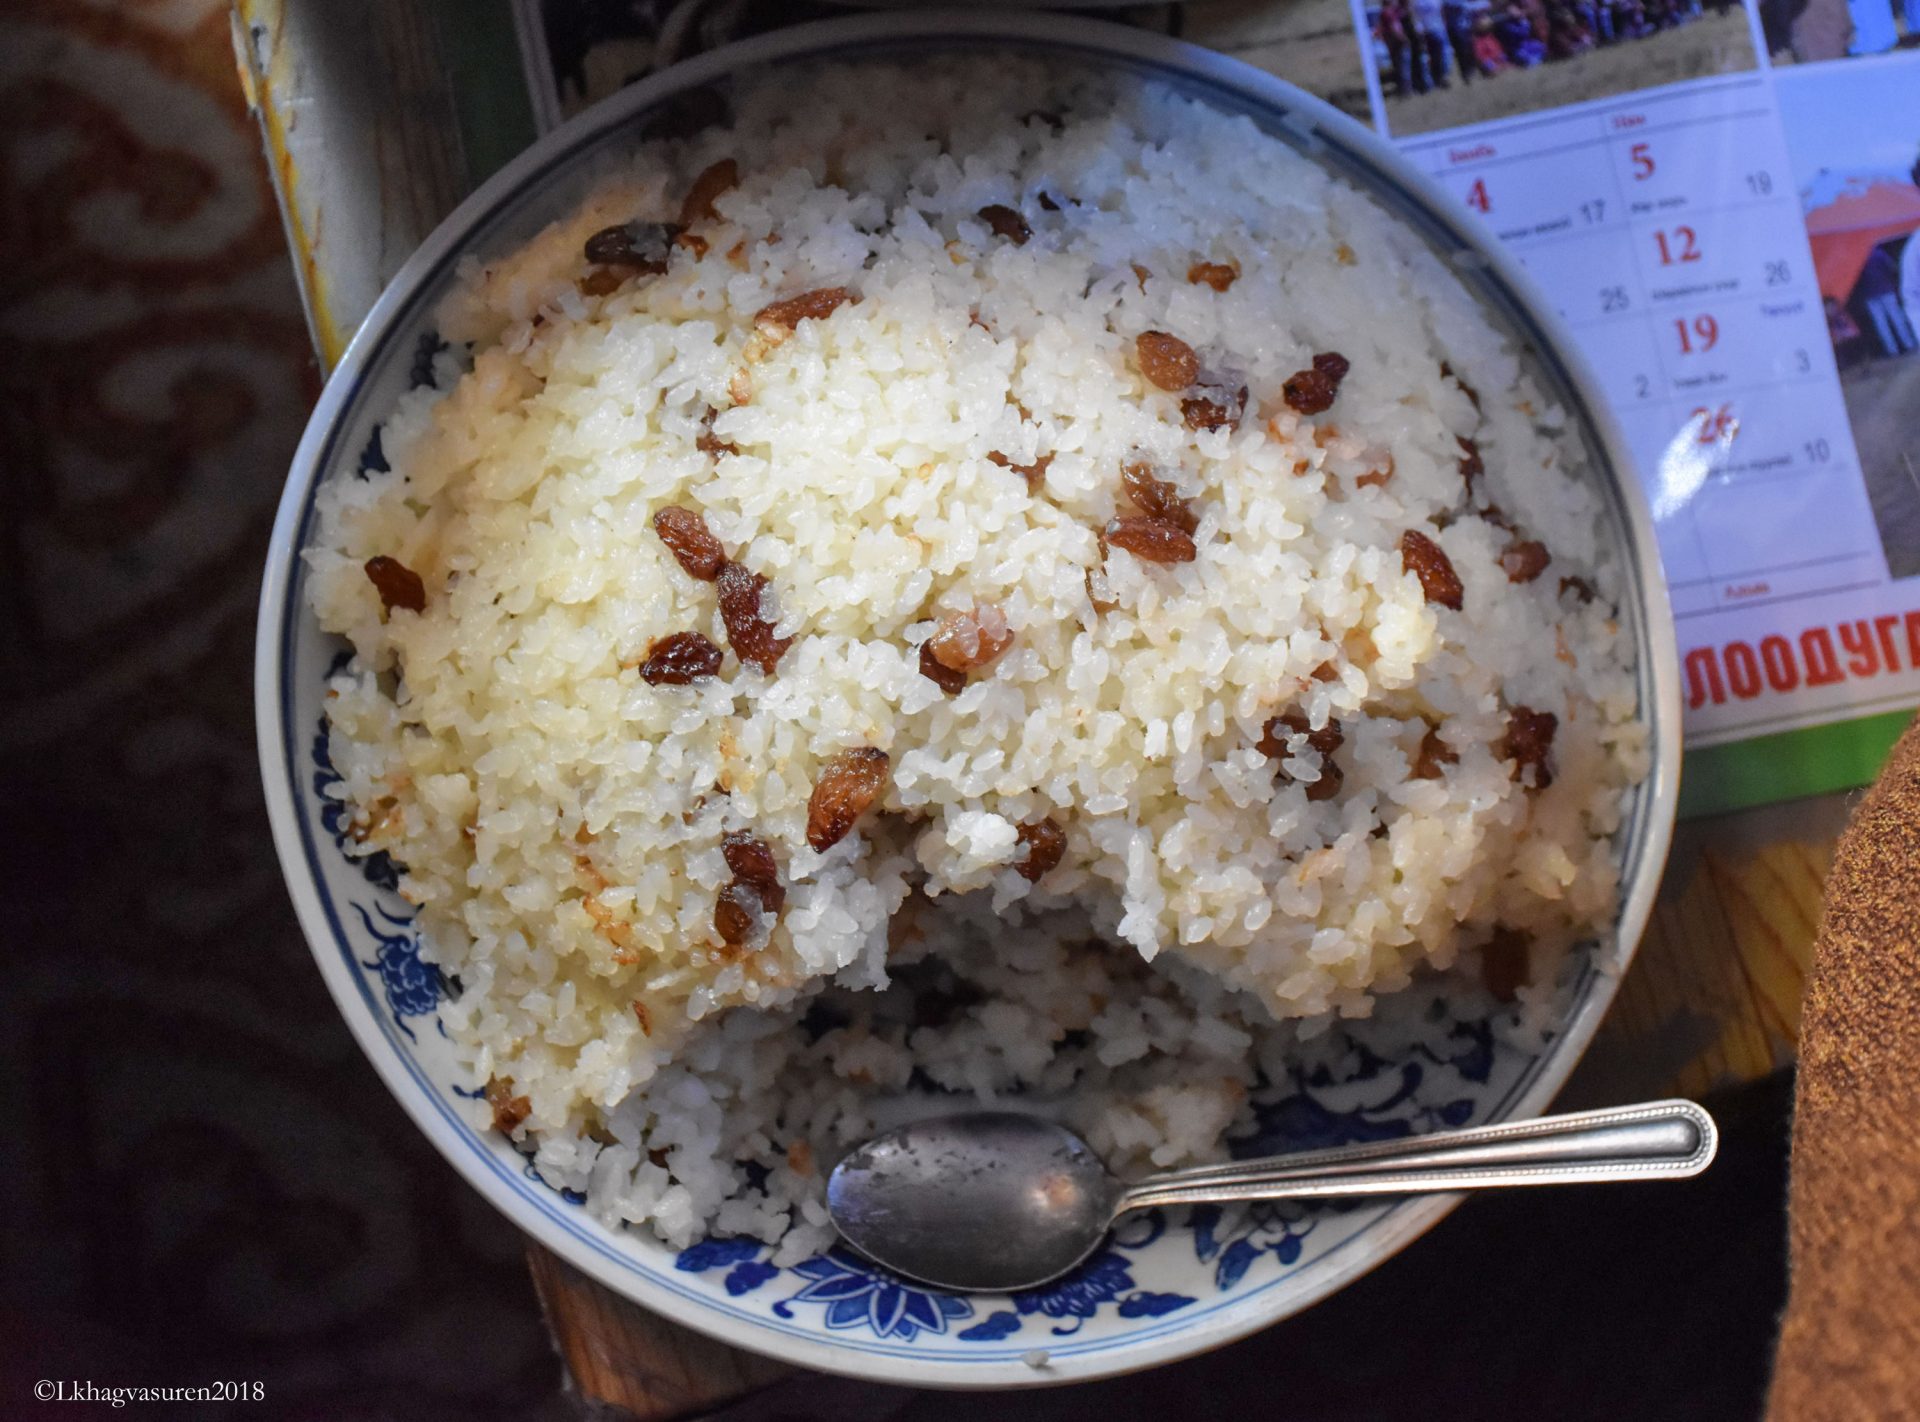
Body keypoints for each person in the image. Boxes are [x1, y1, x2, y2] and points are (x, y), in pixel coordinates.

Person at [1855, 246, 1918, 356]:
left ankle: (1892, 350)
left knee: (1881, 324)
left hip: (1870, 294)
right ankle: (1909, 345)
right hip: (1886, 290)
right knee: (1897, 319)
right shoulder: (1879, 254)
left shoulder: (1857, 258)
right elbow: (1892, 267)